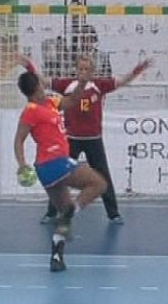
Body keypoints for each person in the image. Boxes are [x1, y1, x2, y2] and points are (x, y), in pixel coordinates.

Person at [18, 53, 151, 225]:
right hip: (72, 138)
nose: (83, 72)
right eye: (80, 68)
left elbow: (121, 82)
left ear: (92, 70)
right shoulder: (67, 84)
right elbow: (43, 82)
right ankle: (53, 212)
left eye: (86, 69)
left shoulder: (99, 85)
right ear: (76, 69)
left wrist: (136, 71)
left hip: (93, 138)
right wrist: (30, 67)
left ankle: (113, 213)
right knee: (59, 177)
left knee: (103, 176)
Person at [14, 70, 107, 272]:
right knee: (99, 184)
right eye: (40, 82)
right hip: (54, 162)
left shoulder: (49, 102)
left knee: (65, 212)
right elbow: (18, 139)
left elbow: (72, 101)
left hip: (46, 170)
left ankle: (57, 256)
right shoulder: (30, 110)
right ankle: (71, 212)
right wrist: (21, 164)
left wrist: (81, 84)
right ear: (37, 86)